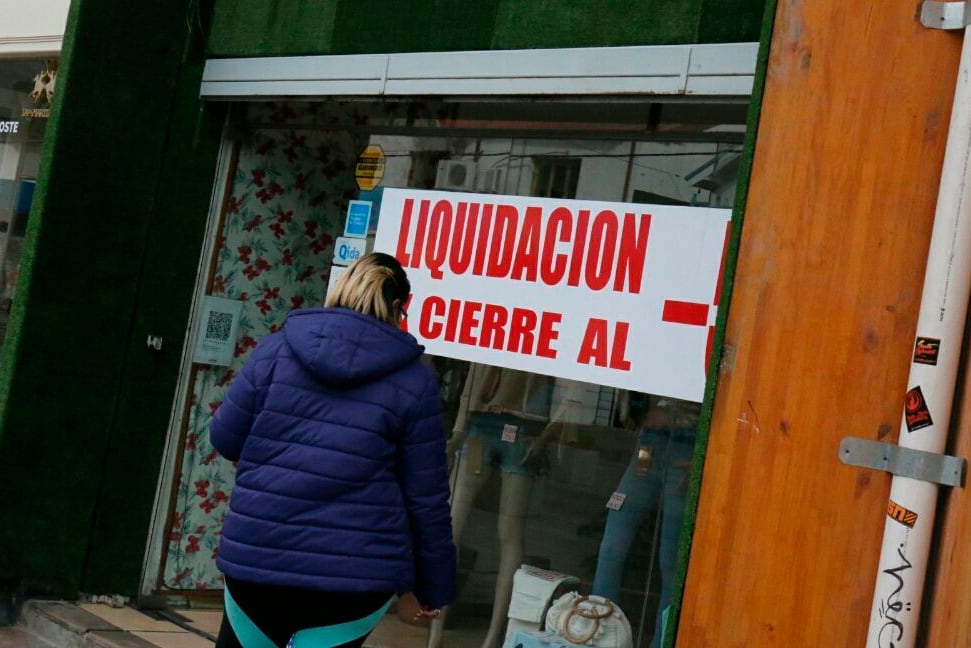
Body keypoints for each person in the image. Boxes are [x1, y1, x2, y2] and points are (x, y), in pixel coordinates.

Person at [209, 251, 457, 648]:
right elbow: (426, 499)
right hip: (354, 576)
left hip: (258, 559)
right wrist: (433, 587)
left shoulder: (274, 352)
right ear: (398, 307)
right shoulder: (414, 382)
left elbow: (224, 438)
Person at [427, 364, 554, 648]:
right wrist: (459, 431)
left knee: (503, 533)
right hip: (490, 425)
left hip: (519, 426)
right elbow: (475, 374)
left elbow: (563, 389)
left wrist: (549, 434)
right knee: (459, 529)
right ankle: (443, 633)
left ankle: (491, 635)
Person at [591, 395, 698, 648]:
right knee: (612, 545)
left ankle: (662, 641)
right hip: (649, 444)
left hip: (688, 446)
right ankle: (596, 633)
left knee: (671, 559)